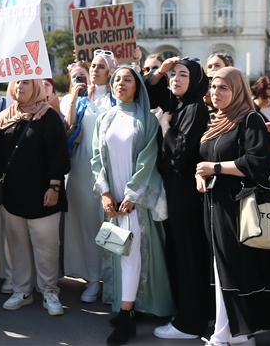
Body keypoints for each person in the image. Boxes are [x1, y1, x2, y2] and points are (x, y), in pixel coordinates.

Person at [197, 67, 270, 346]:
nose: (216, 92)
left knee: (233, 268)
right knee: (220, 267)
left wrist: (215, 168)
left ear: (237, 89)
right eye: (213, 87)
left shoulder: (249, 120)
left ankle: (229, 333)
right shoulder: (218, 120)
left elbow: (258, 162)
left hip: (238, 206)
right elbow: (208, 159)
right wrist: (201, 174)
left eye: (223, 87)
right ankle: (234, 332)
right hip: (215, 204)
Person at [92, 66, 174, 345]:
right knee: (119, 250)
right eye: (117, 80)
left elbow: (148, 160)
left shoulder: (147, 120)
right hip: (112, 199)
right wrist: (105, 193)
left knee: (130, 252)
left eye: (128, 79)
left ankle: (126, 316)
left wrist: (132, 195)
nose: (121, 84)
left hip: (133, 200)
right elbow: (96, 159)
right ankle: (126, 306)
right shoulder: (105, 118)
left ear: (138, 85)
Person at [0, 79, 71, 316]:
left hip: (43, 196)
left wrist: (54, 186)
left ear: (37, 88)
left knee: (46, 247)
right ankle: (21, 291)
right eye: (17, 83)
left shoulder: (48, 116)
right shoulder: (3, 118)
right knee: (17, 247)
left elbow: (58, 155)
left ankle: (49, 291)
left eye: (26, 83)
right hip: (13, 195)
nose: (20, 87)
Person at [150, 56, 214, 340]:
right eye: (172, 75)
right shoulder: (180, 103)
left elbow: (179, 154)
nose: (175, 79)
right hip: (175, 190)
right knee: (180, 254)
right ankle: (188, 313)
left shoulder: (195, 108)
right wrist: (160, 71)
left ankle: (190, 323)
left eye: (182, 74)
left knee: (189, 257)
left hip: (186, 192)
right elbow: (149, 92)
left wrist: (164, 125)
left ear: (197, 80)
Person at [61, 50, 116, 303]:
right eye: (92, 65)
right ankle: (93, 280)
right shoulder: (84, 99)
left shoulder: (118, 99)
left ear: (111, 71)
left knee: (111, 226)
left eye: (100, 66)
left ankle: (114, 281)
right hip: (82, 169)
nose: (94, 70)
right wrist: (73, 98)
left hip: (112, 170)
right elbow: (69, 127)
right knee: (87, 227)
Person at [252, 75, 270, 146]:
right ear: (257, 93)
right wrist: (261, 127)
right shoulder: (250, 110)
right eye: (264, 96)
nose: (268, 99)